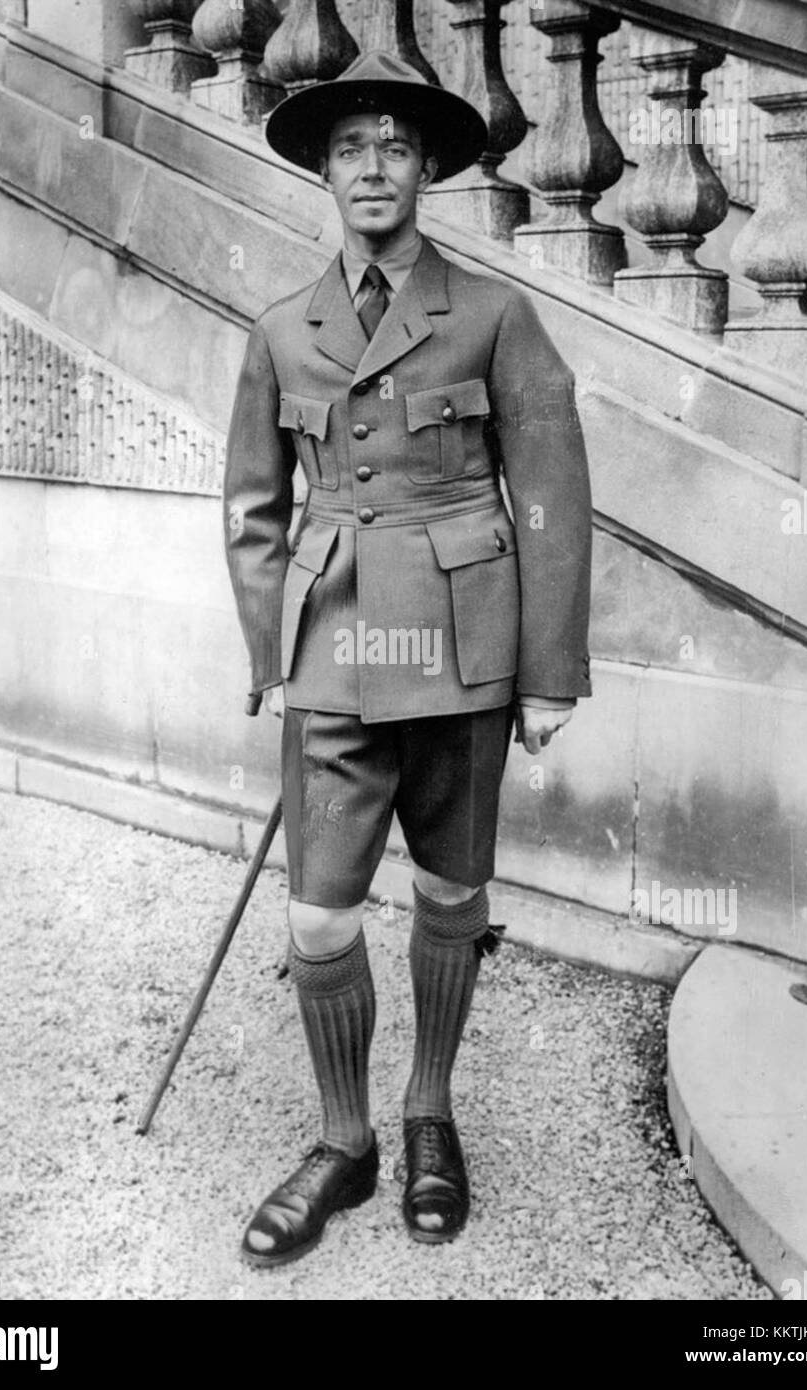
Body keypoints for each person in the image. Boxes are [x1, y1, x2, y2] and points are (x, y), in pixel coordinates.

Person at [223, 51, 593, 1268]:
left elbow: (548, 495)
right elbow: (253, 509)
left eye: (394, 147)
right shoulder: (281, 327)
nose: (372, 166)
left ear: (428, 168)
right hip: (332, 647)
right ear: (326, 175)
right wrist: (268, 648)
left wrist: (547, 672)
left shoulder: (494, 316)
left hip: (464, 648)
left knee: (450, 893)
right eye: (349, 149)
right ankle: (345, 1141)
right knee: (319, 919)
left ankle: (429, 1112)